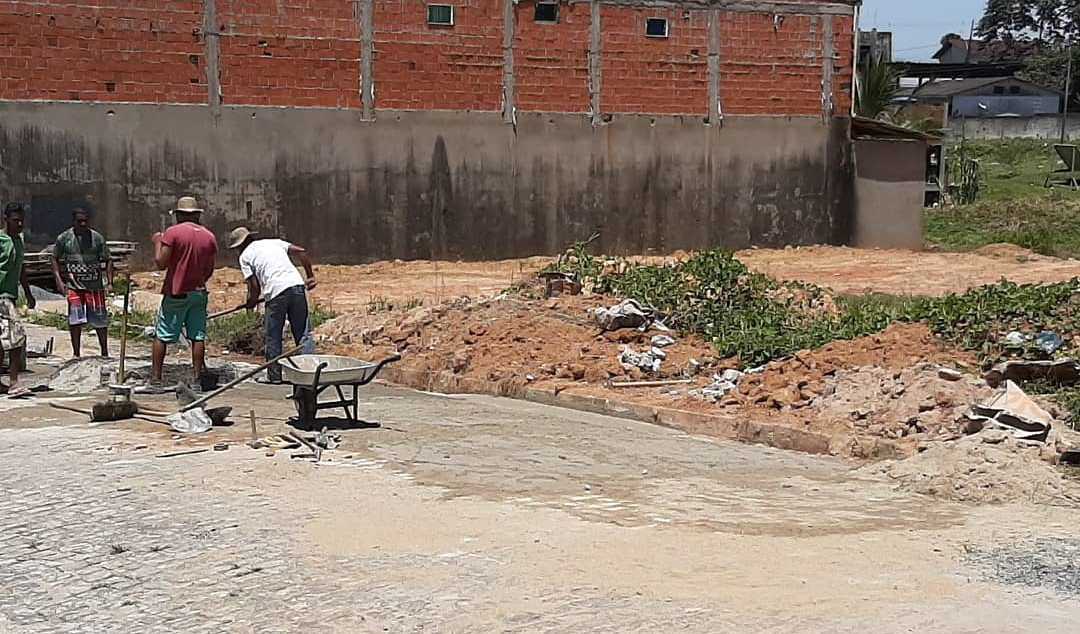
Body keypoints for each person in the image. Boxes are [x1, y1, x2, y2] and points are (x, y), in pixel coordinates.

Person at [227, 226, 317, 384]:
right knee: (303, 333)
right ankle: (310, 373)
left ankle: (274, 376)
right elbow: (301, 251)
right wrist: (309, 276)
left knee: (273, 335)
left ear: (239, 246)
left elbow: (253, 285)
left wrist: (251, 302)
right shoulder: (274, 243)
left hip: (275, 293)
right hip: (296, 287)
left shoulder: (245, 257)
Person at [150, 196, 218, 387]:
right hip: (199, 292)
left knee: (162, 335)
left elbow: (160, 263)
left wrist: (157, 241)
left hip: (177, 291)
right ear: (197, 215)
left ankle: (156, 380)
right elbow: (210, 269)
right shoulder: (209, 236)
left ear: (178, 215)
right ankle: (197, 379)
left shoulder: (173, 233)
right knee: (197, 336)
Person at [52, 208, 113, 358]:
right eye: (80, 221)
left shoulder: (97, 238)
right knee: (75, 320)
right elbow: (54, 258)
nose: (83, 224)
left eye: (85, 221)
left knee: (100, 320)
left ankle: (104, 353)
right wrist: (59, 281)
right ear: (74, 221)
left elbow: (108, 259)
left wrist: (110, 282)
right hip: (74, 287)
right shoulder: (64, 238)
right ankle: (76, 354)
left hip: (95, 287)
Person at [0, 202, 36, 394]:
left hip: (10, 296)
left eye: (22, 221)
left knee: (11, 339)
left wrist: (28, 293)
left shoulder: (19, 242)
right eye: (16, 221)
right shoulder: (1, 240)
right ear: (6, 219)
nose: (20, 224)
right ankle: (13, 382)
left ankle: (9, 382)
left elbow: (21, 269)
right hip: (1, 297)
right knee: (16, 336)